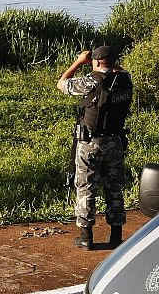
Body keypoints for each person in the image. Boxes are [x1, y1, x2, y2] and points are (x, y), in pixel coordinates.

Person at [57, 46, 133, 250]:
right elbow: (120, 70)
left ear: (97, 62)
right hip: (115, 142)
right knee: (114, 188)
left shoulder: (91, 81)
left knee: (86, 188)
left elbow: (62, 84)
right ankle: (116, 236)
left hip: (90, 144)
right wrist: (109, 62)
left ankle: (86, 237)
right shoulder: (125, 79)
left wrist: (79, 62)